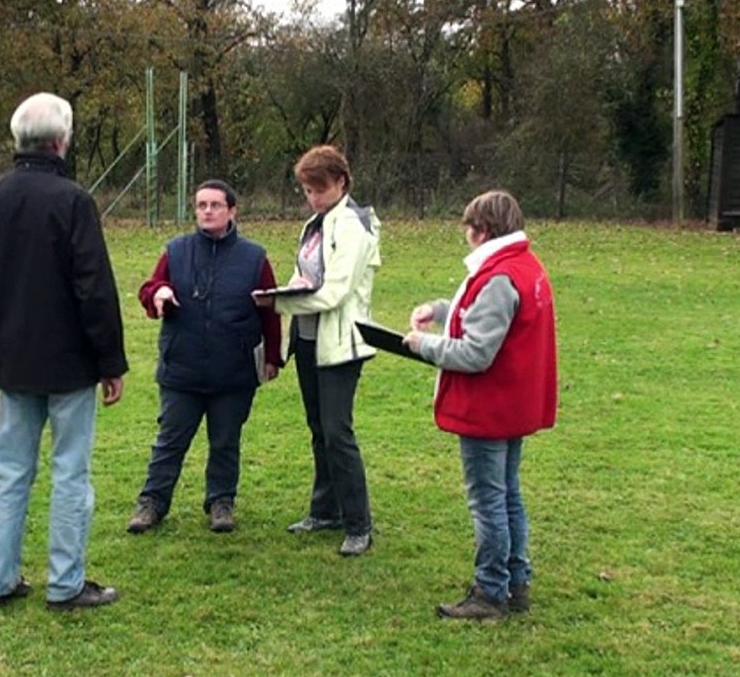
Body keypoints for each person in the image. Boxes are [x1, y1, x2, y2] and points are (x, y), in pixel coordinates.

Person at [0, 92, 128, 611]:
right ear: (62, 140)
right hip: (70, 362)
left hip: (12, 359)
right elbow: (93, 287)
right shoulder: (73, 201)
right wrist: (110, 361)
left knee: (12, 473)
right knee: (70, 471)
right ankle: (65, 583)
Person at [402, 189, 557, 620]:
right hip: (514, 405)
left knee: (488, 501)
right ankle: (516, 581)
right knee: (508, 495)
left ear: (482, 231)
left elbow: (475, 352)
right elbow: (488, 318)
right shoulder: (525, 267)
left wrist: (424, 345)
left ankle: (491, 591)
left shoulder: (498, 276)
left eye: (468, 228)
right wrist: (440, 309)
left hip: (489, 408)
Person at [125, 180, 283, 535]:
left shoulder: (254, 258)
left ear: (232, 211)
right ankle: (152, 502)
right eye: (201, 205)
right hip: (182, 367)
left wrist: (273, 355)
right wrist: (159, 293)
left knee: (225, 441)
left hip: (234, 369)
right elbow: (149, 289)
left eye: (214, 205)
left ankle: (221, 502)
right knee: (170, 440)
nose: (207, 211)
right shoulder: (176, 251)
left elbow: (271, 309)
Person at [253, 145, 380, 557]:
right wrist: (281, 293)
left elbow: (334, 293)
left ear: (341, 182)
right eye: (306, 190)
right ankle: (325, 510)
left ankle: (359, 524)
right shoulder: (315, 224)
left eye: (319, 188)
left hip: (342, 345)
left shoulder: (355, 226)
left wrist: (278, 302)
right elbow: (302, 276)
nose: (313, 197)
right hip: (307, 341)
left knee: (338, 432)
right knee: (318, 430)